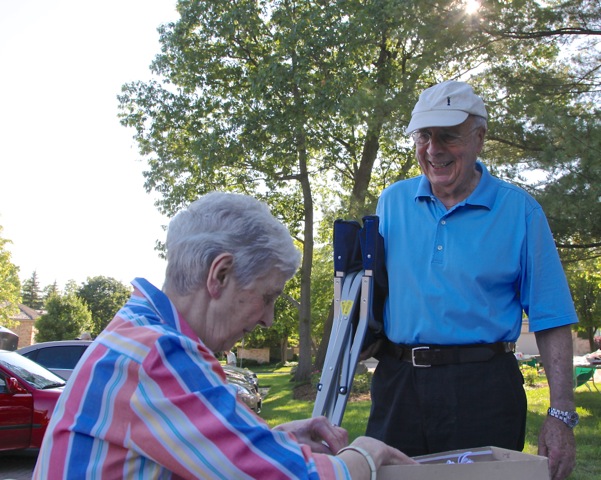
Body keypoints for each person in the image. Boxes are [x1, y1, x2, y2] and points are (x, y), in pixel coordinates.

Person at [33, 191, 415, 479]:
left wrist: (277, 438)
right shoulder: (157, 355)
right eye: (267, 298)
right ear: (219, 275)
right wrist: (365, 454)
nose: (267, 319)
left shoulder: (141, 334)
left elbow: (191, 448)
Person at [364, 80, 579, 480]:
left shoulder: (520, 211)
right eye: (424, 136)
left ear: (479, 137)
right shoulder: (391, 202)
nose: (433, 150)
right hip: (398, 385)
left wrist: (561, 415)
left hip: (483, 389)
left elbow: (552, 318)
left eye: (448, 136)